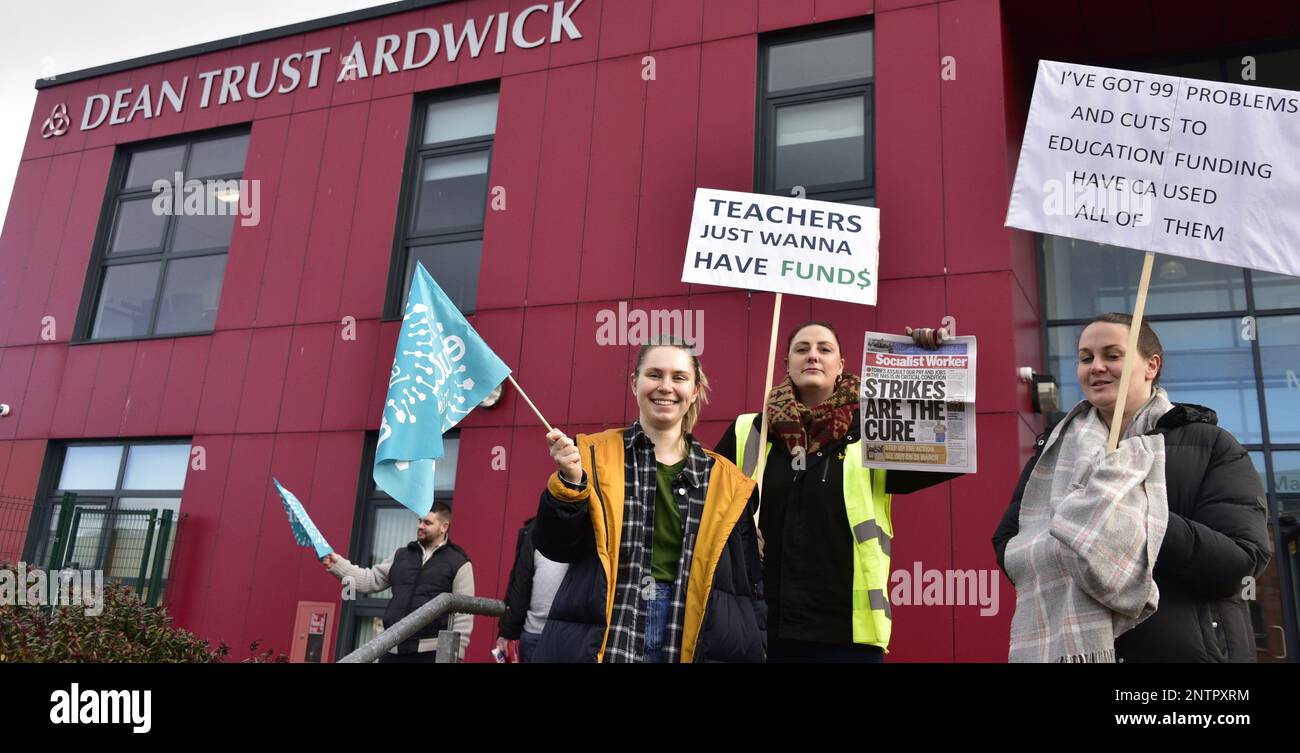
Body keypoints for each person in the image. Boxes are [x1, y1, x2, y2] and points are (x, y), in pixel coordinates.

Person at [992, 313, 1271, 662]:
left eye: (1112, 355)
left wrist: (1129, 520)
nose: (1096, 367)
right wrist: (1078, 545)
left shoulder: (1210, 445)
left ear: (1151, 366)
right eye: (1085, 358)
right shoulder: (1052, 453)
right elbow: (1011, 543)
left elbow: (1240, 561)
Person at [714, 321, 956, 663]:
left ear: (840, 365)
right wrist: (738, 535)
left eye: (824, 349)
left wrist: (932, 362)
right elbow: (707, 510)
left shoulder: (876, 431)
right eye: (802, 349)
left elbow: (949, 447)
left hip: (847, 635)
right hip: (759, 625)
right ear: (786, 364)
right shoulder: (749, 430)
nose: (813, 355)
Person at [532, 339, 765, 662]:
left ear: (695, 390)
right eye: (654, 375)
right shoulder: (590, 455)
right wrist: (570, 484)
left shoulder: (727, 480)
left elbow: (747, 586)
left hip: (692, 627)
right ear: (634, 382)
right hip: (610, 626)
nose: (665, 387)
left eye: (679, 377)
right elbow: (556, 546)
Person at [324, 502, 475, 662]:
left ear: (444, 527)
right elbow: (369, 581)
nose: (421, 526)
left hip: (431, 654)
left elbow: (464, 613)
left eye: (427, 522)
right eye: (420, 521)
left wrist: (457, 655)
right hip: (391, 649)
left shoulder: (459, 562)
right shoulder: (401, 555)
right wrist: (338, 564)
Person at [495, 517, 569, 663]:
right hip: (532, 634)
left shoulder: (588, 527)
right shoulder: (534, 530)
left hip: (567, 637)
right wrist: (506, 633)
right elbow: (519, 583)